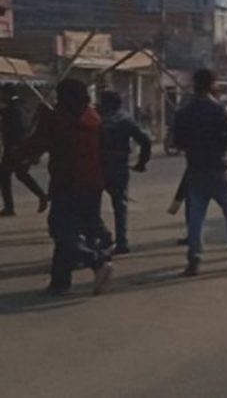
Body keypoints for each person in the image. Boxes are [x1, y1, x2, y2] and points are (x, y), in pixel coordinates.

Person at [20, 79, 113, 296]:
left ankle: (97, 261)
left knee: (61, 230)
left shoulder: (59, 119)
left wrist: (42, 119)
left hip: (67, 181)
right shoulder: (92, 117)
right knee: (80, 227)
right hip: (93, 182)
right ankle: (60, 281)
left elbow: (39, 142)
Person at [173, 69, 227, 276]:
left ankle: (194, 260)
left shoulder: (185, 112)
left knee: (196, 218)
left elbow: (177, 142)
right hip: (220, 168)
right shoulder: (221, 110)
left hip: (195, 169)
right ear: (213, 84)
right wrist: (223, 144)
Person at [98, 91, 152, 254]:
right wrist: (142, 163)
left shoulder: (96, 119)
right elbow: (145, 140)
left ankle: (101, 236)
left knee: (91, 204)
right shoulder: (125, 119)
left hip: (98, 165)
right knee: (120, 205)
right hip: (119, 165)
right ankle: (121, 242)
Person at [0, 84, 49, 216]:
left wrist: (14, 146)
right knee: (20, 174)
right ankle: (41, 195)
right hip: (20, 146)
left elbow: (18, 129)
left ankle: (10, 207)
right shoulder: (20, 106)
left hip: (15, 147)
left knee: (6, 174)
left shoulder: (13, 109)